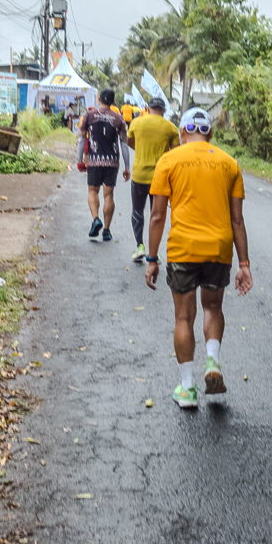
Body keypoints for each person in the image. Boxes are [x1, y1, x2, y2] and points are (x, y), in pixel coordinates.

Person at [146, 107, 252, 409]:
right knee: (213, 307)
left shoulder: (169, 160)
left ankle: (188, 388)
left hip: (182, 249)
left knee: (183, 317)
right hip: (218, 249)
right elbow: (237, 220)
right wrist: (244, 264)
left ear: (182, 132)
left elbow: (156, 216)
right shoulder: (229, 163)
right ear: (211, 134)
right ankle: (212, 362)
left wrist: (152, 258)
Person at [126, 97, 180, 262]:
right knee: (156, 215)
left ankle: (139, 246)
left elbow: (130, 142)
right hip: (160, 178)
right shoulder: (170, 128)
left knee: (137, 210)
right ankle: (152, 252)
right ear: (164, 110)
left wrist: (142, 149)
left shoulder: (136, 123)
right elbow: (176, 152)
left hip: (139, 175)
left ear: (148, 108)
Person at [77, 88, 130, 242]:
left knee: (93, 190)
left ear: (99, 98)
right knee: (109, 195)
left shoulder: (89, 115)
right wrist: (127, 166)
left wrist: (80, 159)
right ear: (113, 101)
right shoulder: (119, 119)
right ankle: (106, 230)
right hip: (112, 161)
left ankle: (96, 219)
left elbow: (82, 140)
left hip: (94, 160)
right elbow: (124, 144)